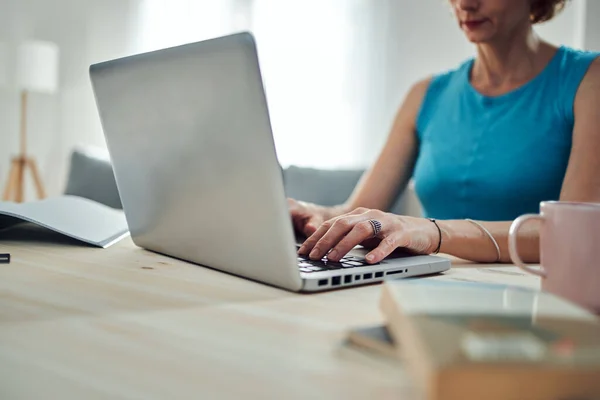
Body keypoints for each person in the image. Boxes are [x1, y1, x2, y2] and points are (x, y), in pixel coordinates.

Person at [291, 0, 600, 265]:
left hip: (531, 298)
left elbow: (574, 234)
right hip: (430, 289)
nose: (465, 3)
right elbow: (357, 209)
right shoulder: (426, 94)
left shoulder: (588, 80)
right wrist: (314, 214)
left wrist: (432, 232)